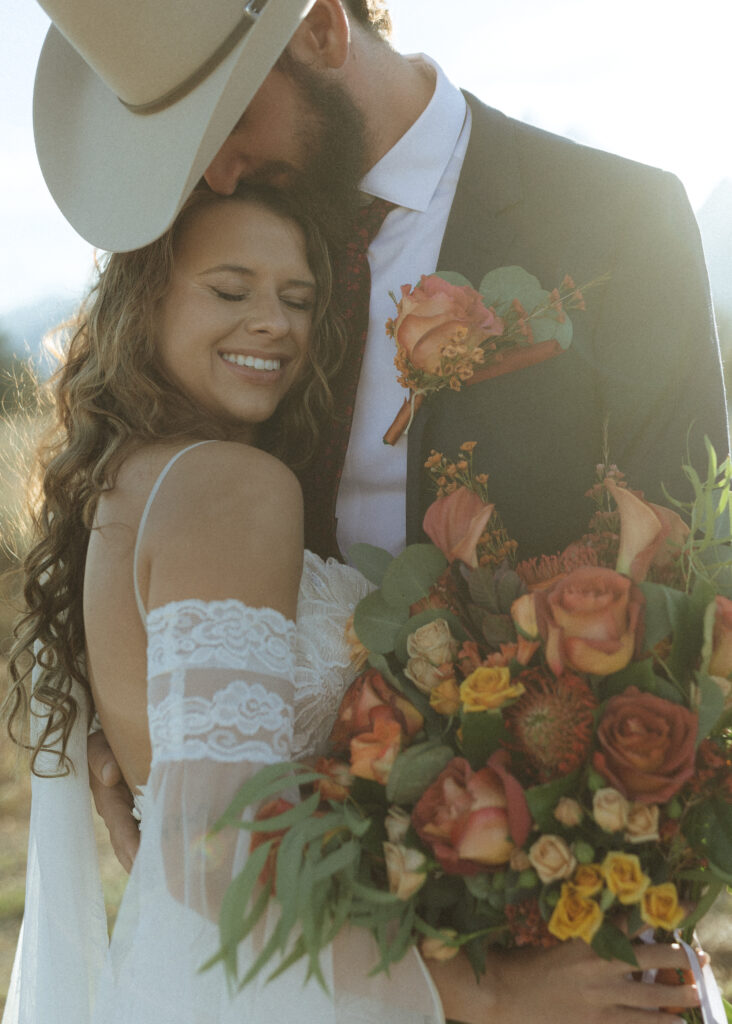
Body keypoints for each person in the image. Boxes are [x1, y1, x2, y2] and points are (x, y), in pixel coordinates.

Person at [23, 0, 726, 1021]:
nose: (211, 172)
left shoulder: (619, 220)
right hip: (313, 956)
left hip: (574, 952)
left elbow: (696, 607)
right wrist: (190, 856)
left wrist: (617, 909)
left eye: (225, 120)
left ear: (319, 32)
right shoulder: (241, 253)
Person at [2, 185, 465, 1023]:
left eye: (298, 300)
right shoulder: (231, 484)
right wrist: (492, 993)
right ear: (144, 304)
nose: (275, 323)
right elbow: (221, 851)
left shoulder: (125, 483)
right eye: (230, 290)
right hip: (288, 977)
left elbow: (185, 820)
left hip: (210, 967)